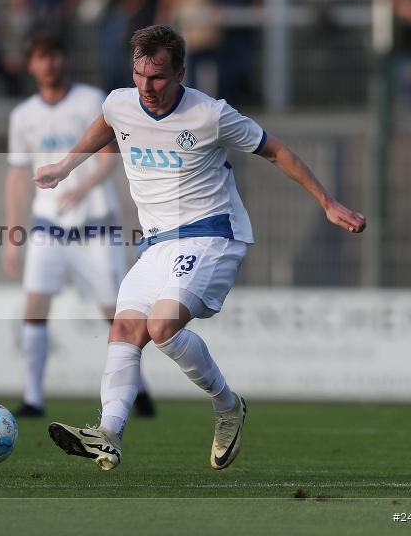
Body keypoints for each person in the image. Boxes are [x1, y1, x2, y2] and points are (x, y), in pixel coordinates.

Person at [35, 25, 366, 471]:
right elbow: (107, 123)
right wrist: (66, 165)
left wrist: (327, 203)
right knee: (125, 330)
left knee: (160, 326)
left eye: (158, 77)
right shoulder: (120, 103)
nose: (146, 87)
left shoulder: (210, 114)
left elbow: (276, 152)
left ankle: (228, 405)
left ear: (180, 73)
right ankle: (108, 434)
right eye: (139, 75)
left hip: (211, 236)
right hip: (156, 245)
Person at [4, 33, 155, 418]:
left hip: (95, 225)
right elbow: (17, 177)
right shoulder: (22, 116)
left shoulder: (90, 101)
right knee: (35, 306)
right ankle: (33, 398)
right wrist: (12, 234)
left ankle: (136, 388)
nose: (49, 64)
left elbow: (109, 156)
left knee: (115, 312)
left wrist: (82, 185)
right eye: (41, 57)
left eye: (55, 55)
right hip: (48, 226)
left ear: (64, 59)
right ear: (31, 65)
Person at [213, 0, 263, 105]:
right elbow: (216, 4)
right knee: (225, 75)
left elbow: (258, 4)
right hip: (226, 37)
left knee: (243, 70)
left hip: (245, 36)